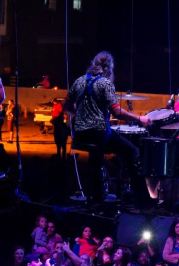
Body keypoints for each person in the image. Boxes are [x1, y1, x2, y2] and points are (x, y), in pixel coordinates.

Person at [63, 51, 152, 204]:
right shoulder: (105, 83)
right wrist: (140, 118)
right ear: (110, 68)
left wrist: (82, 113)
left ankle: (96, 198)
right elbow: (117, 112)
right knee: (133, 152)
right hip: (99, 134)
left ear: (93, 64)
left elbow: (67, 105)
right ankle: (142, 200)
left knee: (96, 155)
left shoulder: (79, 81)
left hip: (80, 135)